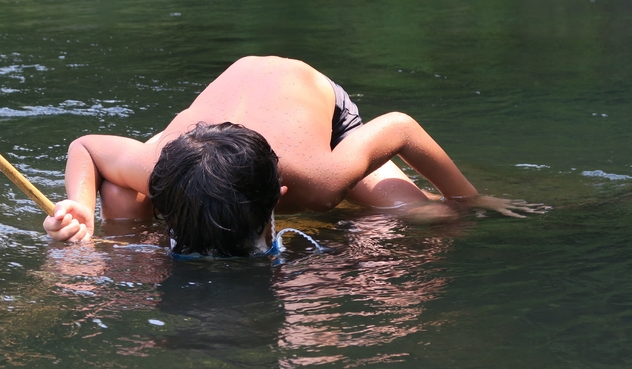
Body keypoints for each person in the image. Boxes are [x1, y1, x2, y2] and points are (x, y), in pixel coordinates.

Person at [43, 56, 537, 256]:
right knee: (118, 198)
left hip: (315, 106)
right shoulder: (162, 170)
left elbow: (401, 127)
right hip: (216, 128)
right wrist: (83, 210)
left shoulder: (317, 181)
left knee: (424, 215)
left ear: (279, 198)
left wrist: (469, 198)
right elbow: (85, 147)